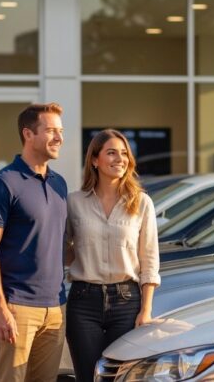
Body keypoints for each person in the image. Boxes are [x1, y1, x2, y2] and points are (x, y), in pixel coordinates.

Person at [0, 103, 67, 382]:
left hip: (55, 308)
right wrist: (0, 308)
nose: (59, 138)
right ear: (28, 134)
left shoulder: (59, 184)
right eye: (51, 130)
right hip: (17, 306)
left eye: (60, 131)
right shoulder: (3, 184)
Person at [65, 129, 160, 382]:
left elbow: (150, 260)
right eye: (111, 153)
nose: (120, 159)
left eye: (124, 153)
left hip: (127, 303)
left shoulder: (141, 203)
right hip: (83, 303)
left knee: (121, 377)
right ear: (94, 160)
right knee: (87, 377)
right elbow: (63, 251)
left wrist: (146, 310)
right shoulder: (73, 202)